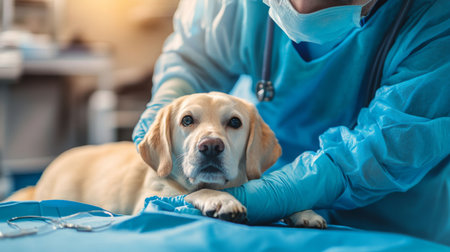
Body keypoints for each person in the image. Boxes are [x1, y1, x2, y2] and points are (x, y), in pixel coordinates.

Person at [133, 0, 450, 245]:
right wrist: (167, 105)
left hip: (394, 222)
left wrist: (274, 194)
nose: (302, 9)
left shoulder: (433, 19)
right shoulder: (236, 7)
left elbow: (391, 142)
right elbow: (194, 58)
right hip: (266, 216)